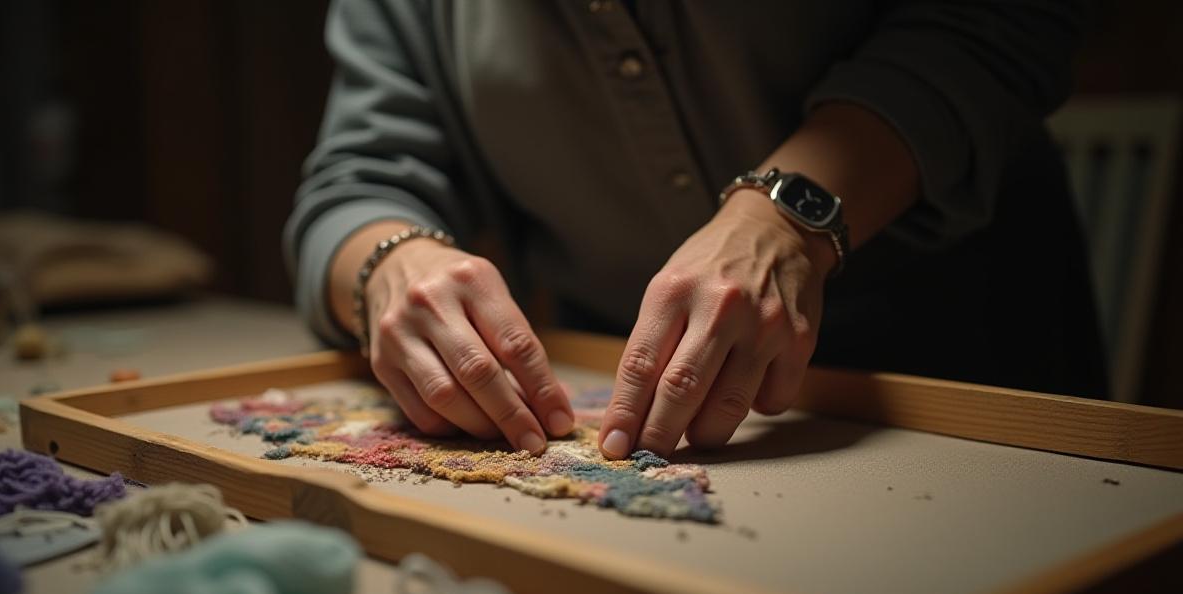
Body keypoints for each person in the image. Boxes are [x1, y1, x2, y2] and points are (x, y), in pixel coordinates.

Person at [286, 1, 1105, 460]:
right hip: (633, 418)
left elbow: (1002, 20)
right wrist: (391, 262)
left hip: (975, 387)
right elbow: (357, 182)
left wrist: (787, 216)